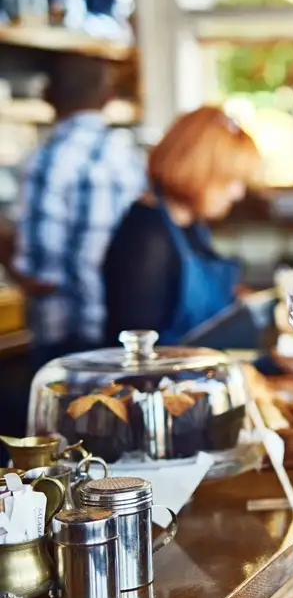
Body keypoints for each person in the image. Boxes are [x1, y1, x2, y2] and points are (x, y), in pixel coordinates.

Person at [7, 53, 146, 366]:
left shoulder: (48, 157)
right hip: (122, 326)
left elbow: (41, 273)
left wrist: (6, 253)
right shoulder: (127, 154)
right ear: (109, 97)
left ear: (47, 95)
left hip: (67, 334)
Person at [102, 106, 260, 345]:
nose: (237, 193)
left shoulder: (191, 224)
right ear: (197, 170)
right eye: (230, 180)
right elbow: (140, 358)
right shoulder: (147, 238)